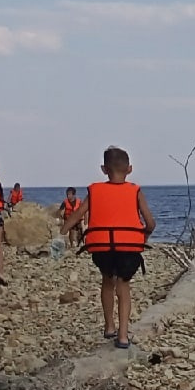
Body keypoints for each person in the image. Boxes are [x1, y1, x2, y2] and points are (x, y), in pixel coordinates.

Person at [64, 146, 156, 348]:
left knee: (107, 281)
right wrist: (144, 236)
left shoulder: (94, 191)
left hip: (102, 246)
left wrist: (63, 230)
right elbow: (150, 222)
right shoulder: (135, 191)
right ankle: (122, 336)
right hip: (128, 246)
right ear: (130, 169)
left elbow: (78, 214)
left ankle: (109, 327)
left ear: (104, 169)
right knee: (123, 286)